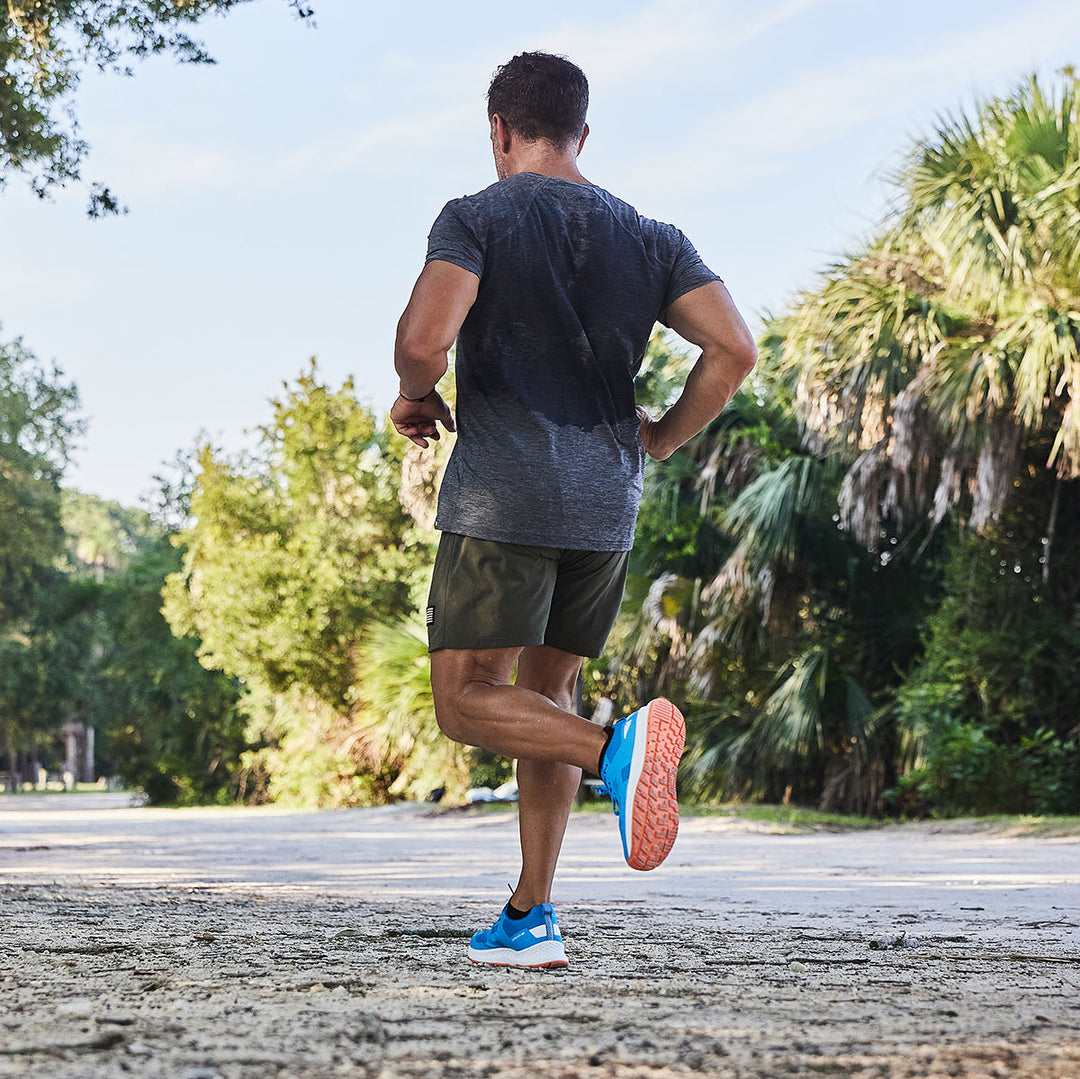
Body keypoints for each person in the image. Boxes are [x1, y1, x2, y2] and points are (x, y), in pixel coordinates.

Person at [391, 51, 756, 969]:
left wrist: (413, 394)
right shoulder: (650, 234)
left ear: (500, 132)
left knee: (469, 700)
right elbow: (733, 350)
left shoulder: (476, 215)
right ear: (582, 134)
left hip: (506, 495)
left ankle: (615, 751)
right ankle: (532, 915)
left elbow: (425, 338)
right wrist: (661, 439)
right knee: (542, 696)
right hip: (606, 503)